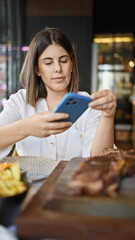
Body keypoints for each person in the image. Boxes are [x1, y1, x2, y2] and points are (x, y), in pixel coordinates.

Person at [0, 27, 117, 162]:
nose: (58, 69)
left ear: (72, 64)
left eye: (63, 61)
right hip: (32, 183)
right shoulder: (20, 101)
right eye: (48, 63)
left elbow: (99, 161)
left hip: (74, 182)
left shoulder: (89, 105)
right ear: (37, 69)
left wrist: (108, 116)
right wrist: (27, 127)